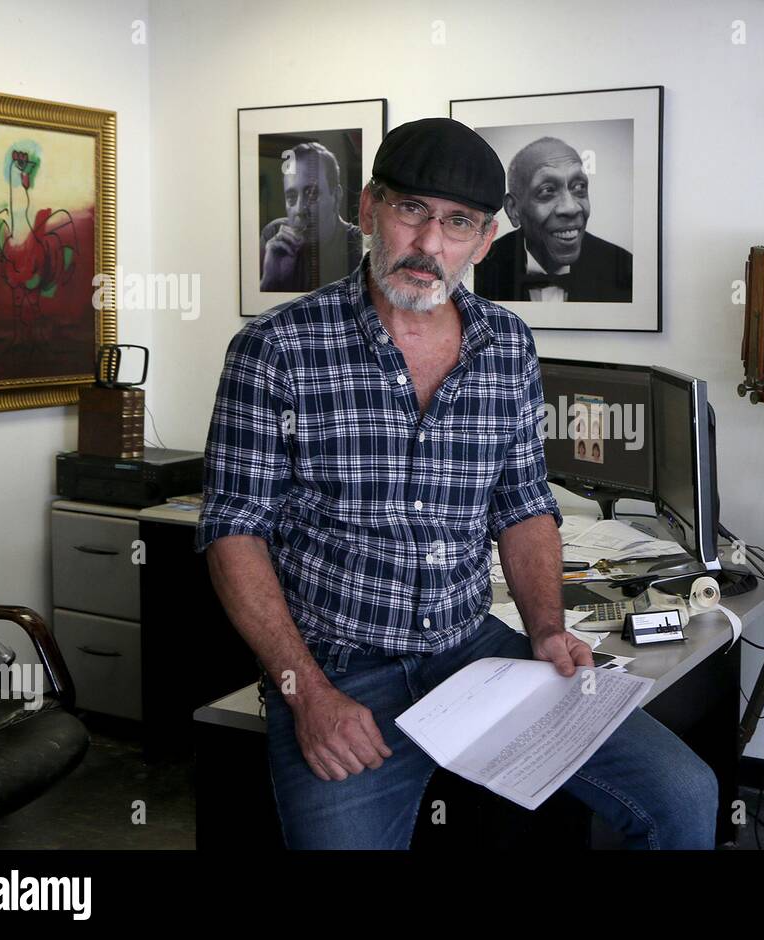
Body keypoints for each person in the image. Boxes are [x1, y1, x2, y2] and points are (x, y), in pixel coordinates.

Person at [198, 117, 717, 850]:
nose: (429, 245)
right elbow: (233, 531)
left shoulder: (506, 344)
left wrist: (544, 628)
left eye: (458, 223)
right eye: (412, 211)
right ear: (371, 207)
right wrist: (306, 695)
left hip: (470, 651)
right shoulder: (276, 350)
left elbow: (524, 503)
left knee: (683, 794)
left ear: (486, 236)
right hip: (338, 670)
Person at [472, 137, 632, 303]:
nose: (571, 208)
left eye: (579, 187)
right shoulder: (481, 270)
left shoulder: (621, 267)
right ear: (513, 210)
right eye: (547, 190)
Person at [260, 141, 365, 292]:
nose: (299, 210)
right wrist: (271, 280)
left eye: (312, 194)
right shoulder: (273, 235)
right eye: (291, 197)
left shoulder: (360, 245)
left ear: (336, 197)